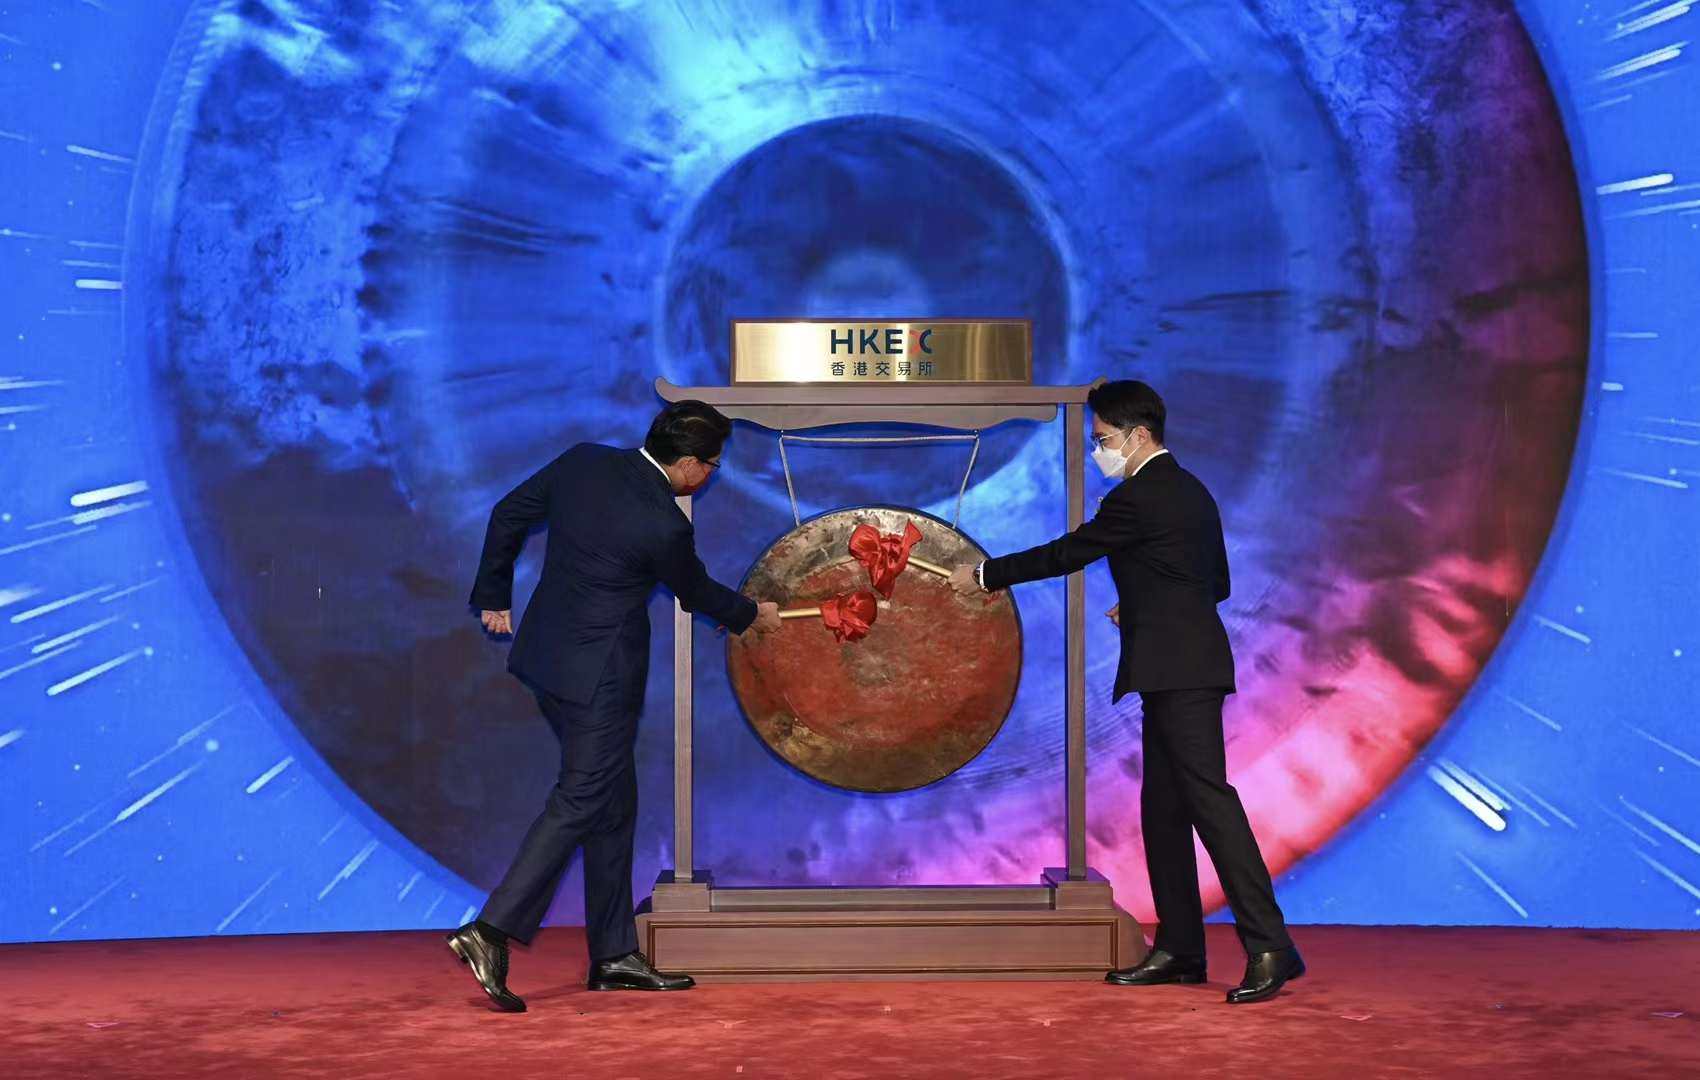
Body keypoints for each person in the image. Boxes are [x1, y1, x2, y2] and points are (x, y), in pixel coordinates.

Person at [948, 379, 1303, 1005]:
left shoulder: (1138, 497)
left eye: (1104, 441)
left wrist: (984, 573)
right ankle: (1182, 949)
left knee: (1210, 804)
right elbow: (1212, 583)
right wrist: (1139, 602)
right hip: (1181, 664)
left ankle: (1271, 946)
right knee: (1163, 813)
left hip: (1179, 670)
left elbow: (1068, 553)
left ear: (1140, 436)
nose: (1099, 452)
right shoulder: (1192, 491)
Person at [447, 400, 782, 1012]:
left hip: (547, 662)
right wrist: (752, 615)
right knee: (582, 795)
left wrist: (494, 593)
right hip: (599, 679)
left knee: (611, 798)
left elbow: (509, 513)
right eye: (709, 465)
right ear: (685, 463)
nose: (709, 475)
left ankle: (613, 954)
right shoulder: (664, 524)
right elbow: (697, 591)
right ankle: (489, 930)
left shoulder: (584, 462)